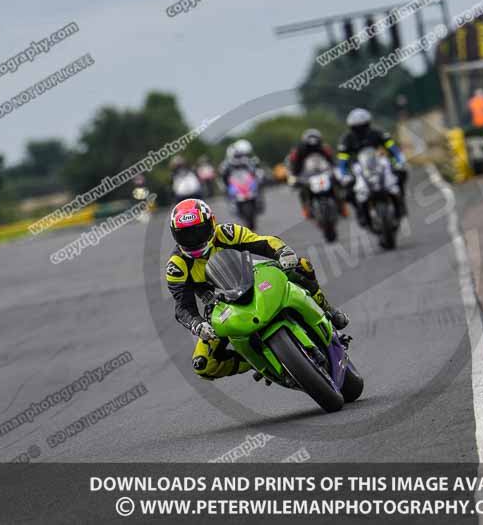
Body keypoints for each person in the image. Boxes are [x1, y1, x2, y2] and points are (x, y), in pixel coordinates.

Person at [165, 198, 349, 380]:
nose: (193, 240)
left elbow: (263, 242)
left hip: (252, 278)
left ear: (211, 223)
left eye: (198, 232)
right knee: (203, 365)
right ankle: (255, 361)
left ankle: (327, 310)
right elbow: (182, 307)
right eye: (185, 235)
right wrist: (197, 324)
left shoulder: (227, 233)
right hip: (219, 307)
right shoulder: (176, 266)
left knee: (302, 266)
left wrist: (283, 252)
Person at [336, 108, 408, 223]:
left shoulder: (378, 132)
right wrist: (343, 174)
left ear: (368, 124)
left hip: (379, 162)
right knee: (348, 189)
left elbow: (392, 147)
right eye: (357, 128)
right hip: (359, 167)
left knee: (401, 173)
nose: (360, 130)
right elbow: (342, 159)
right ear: (351, 127)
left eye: (363, 126)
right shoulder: (346, 139)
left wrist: (399, 161)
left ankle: (401, 202)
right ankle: (360, 212)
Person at [287, 129, 346, 218]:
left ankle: (342, 207)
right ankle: (306, 209)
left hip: (324, 172)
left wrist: (336, 170)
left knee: (336, 185)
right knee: (302, 190)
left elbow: (332, 161)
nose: (313, 146)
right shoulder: (298, 150)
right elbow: (294, 164)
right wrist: (294, 176)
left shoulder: (324, 148)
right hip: (307, 175)